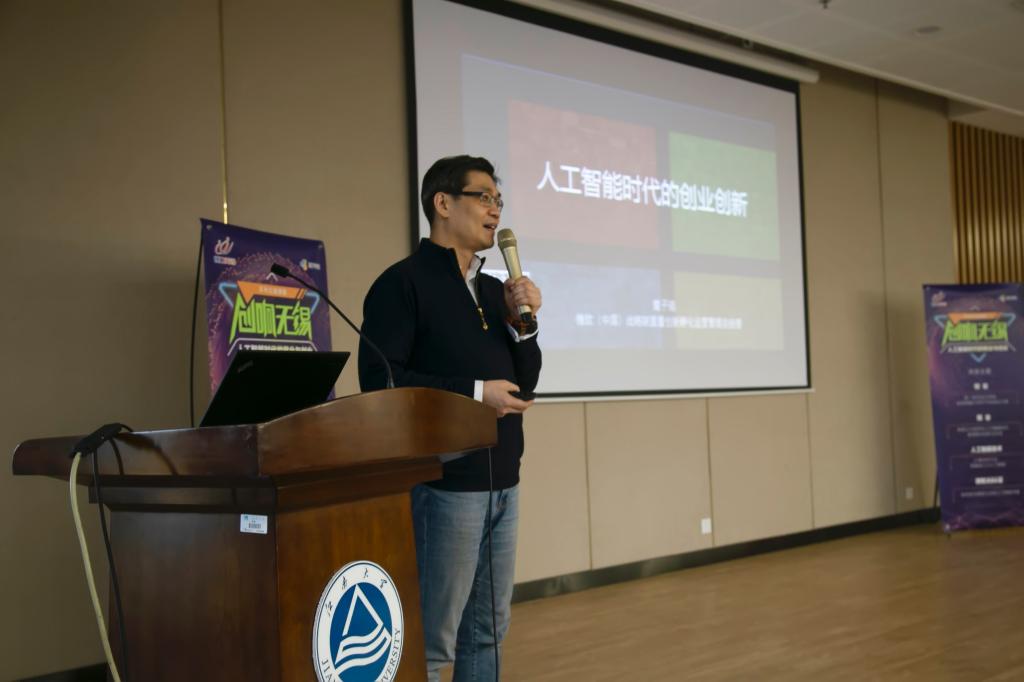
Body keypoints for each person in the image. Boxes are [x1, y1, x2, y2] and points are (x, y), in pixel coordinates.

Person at [358, 155, 543, 681]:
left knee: (487, 632)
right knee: (432, 639)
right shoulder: (403, 284)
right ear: (443, 203)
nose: (495, 209)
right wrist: (475, 393)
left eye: (498, 200)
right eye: (483, 197)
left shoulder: (493, 290)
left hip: (503, 479)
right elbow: (382, 380)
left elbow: (526, 381)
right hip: (445, 485)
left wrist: (525, 325)